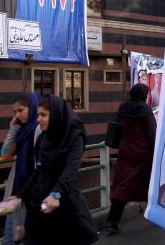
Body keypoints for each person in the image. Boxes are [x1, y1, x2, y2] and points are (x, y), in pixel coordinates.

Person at [12, 95, 98, 244]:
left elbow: (71, 168)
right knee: (35, 236)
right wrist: (19, 195)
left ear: (57, 114)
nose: (38, 119)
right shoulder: (42, 138)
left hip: (64, 201)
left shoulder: (75, 137)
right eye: (38, 115)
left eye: (43, 115)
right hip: (43, 202)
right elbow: (39, 170)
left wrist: (56, 193)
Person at [108, 84, 157, 234]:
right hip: (143, 155)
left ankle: (112, 220)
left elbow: (118, 127)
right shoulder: (145, 110)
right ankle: (156, 215)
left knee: (122, 186)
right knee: (151, 185)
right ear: (143, 94)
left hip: (125, 152)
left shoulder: (122, 108)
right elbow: (152, 133)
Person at [0, 92, 40, 244]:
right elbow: (4, 155)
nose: (17, 115)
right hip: (16, 197)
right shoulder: (21, 131)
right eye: (15, 112)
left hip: (31, 197)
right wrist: (12, 130)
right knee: (9, 240)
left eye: (21, 110)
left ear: (33, 108)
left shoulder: (39, 130)